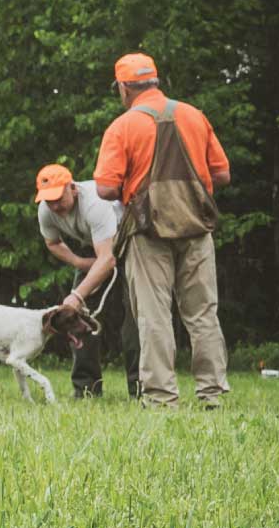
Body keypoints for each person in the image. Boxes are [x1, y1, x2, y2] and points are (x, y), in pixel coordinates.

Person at [93, 52, 230, 408]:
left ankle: (161, 398)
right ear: (155, 81)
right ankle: (212, 394)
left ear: (124, 88)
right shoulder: (194, 115)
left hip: (147, 231)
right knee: (202, 313)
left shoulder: (123, 126)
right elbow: (222, 174)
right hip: (196, 226)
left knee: (153, 315)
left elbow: (105, 189)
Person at [35, 162, 140, 398]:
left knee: (135, 318)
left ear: (72, 188)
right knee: (77, 320)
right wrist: (79, 262)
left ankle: (140, 389)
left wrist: (76, 295)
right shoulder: (46, 210)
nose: (54, 206)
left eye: (58, 198)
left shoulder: (95, 202)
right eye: (48, 200)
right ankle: (86, 390)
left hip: (130, 246)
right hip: (96, 249)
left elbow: (108, 259)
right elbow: (52, 243)